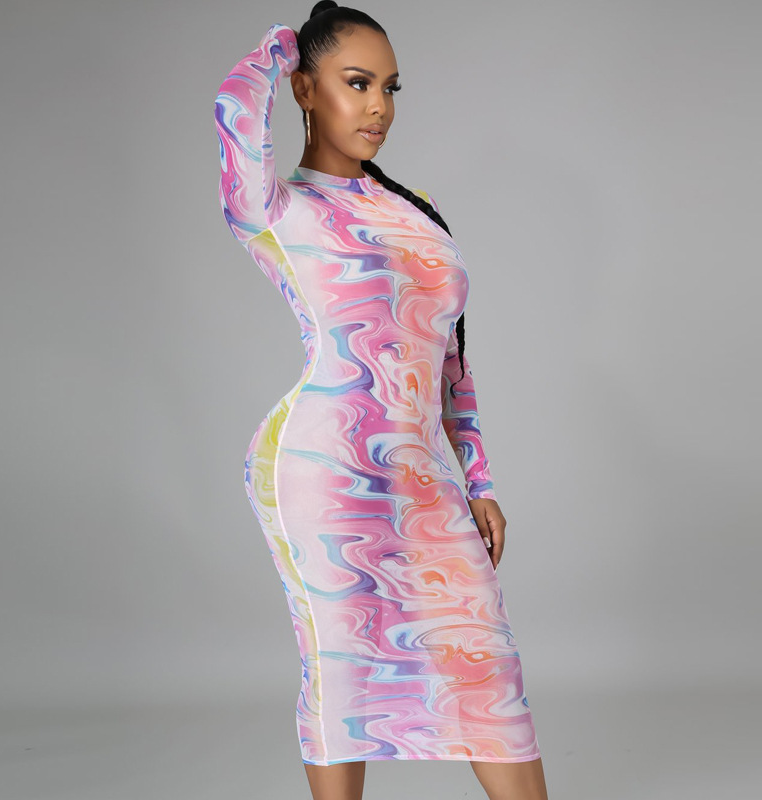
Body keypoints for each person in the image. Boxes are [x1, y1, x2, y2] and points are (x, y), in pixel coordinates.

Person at [213, 3, 549, 799]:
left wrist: (479, 479)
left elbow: (451, 364)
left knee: (485, 666)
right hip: (322, 470)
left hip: (423, 474)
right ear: (305, 89)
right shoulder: (279, 209)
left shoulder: (416, 211)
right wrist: (278, 50)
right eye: (356, 83)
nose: (379, 107)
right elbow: (232, 111)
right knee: (340, 665)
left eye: (390, 88)